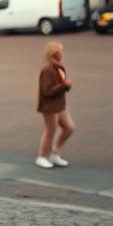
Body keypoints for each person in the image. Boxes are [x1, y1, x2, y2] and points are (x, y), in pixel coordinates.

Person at [35, 40, 74, 169]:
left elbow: (60, 85)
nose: (62, 54)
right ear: (54, 53)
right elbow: (47, 91)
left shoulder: (58, 67)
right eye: (60, 51)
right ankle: (41, 157)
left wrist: (65, 86)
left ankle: (54, 153)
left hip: (59, 104)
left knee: (69, 127)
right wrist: (63, 85)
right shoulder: (47, 69)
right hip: (49, 106)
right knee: (50, 130)